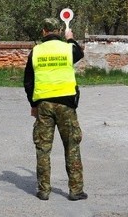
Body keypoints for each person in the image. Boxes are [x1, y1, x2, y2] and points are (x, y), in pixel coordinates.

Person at [23, 17, 87, 201]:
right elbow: (79, 54)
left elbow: (28, 82)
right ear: (58, 31)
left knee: (43, 149)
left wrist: (33, 105)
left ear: (43, 31)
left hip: (44, 105)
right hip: (66, 105)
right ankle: (75, 191)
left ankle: (43, 191)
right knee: (72, 147)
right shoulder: (68, 48)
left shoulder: (35, 52)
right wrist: (70, 38)